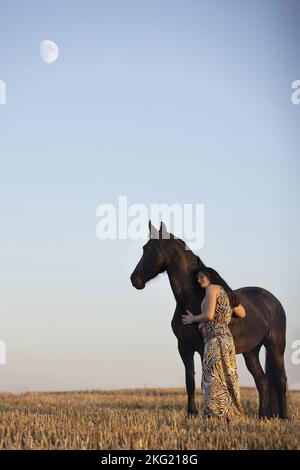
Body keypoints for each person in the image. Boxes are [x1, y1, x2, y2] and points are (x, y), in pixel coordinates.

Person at [181, 266, 245, 420]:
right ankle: (230, 414)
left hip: (215, 340)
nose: (199, 279)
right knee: (228, 377)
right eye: (198, 278)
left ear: (211, 276)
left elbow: (209, 315)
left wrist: (193, 319)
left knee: (212, 378)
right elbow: (242, 313)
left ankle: (215, 414)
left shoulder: (211, 289)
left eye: (202, 276)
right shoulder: (225, 292)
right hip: (227, 340)